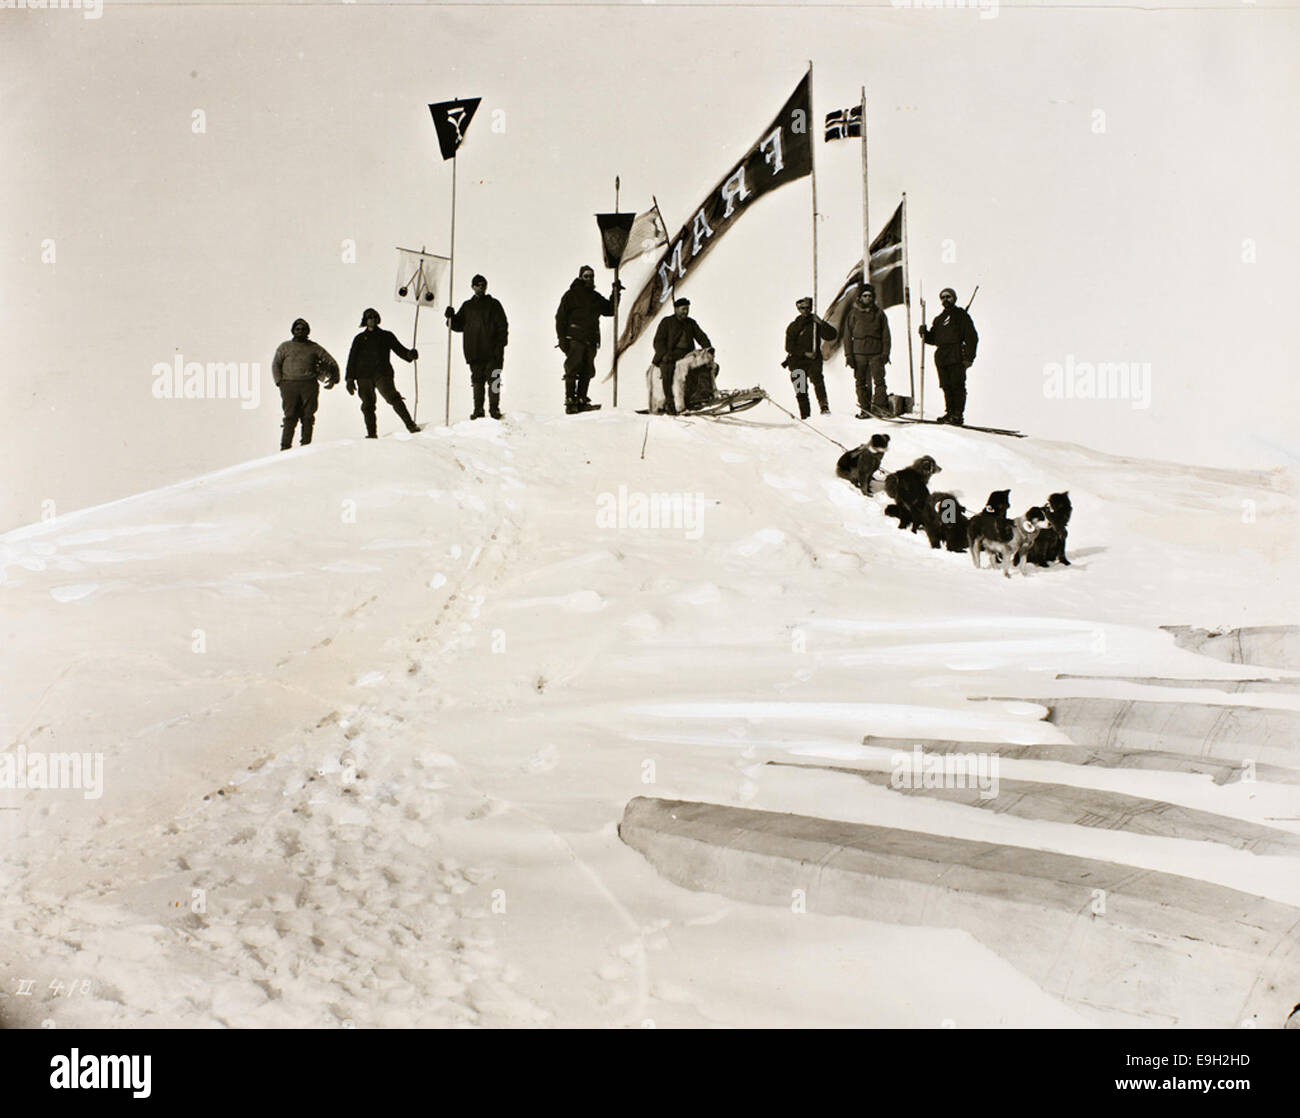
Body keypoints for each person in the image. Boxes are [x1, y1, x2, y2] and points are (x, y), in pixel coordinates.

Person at [345, 308, 421, 438]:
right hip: (363, 376)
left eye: (375, 317)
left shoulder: (386, 336)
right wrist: (350, 379)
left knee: (393, 397)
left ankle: (410, 425)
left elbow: (400, 350)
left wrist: (410, 354)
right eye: (369, 318)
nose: (372, 320)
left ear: (378, 319)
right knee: (367, 405)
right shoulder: (359, 339)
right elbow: (352, 359)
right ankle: (371, 434)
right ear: (365, 320)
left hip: (382, 373)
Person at [555, 264, 620, 413]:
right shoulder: (570, 295)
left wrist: (615, 293)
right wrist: (562, 338)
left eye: (591, 276)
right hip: (576, 338)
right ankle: (570, 401)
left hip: (590, 340)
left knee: (587, 370)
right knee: (572, 368)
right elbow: (560, 318)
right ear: (580, 277)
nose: (589, 279)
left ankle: (582, 400)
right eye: (586, 276)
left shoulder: (594, 297)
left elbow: (610, 310)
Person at [445, 274, 509, 420]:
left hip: (492, 351)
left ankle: (494, 408)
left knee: (494, 379)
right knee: (477, 381)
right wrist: (450, 317)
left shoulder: (494, 304)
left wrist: (500, 345)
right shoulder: (468, 306)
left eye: (483, 284)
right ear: (472, 287)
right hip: (474, 351)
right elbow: (456, 325)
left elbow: (502, 326)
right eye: (478, 285)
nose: (481, 287)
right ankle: (478, 409)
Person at [271, 318, 339, 450]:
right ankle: (285, 447)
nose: (300, 331)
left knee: (308, 416)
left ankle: (305, 447)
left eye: (303, 329)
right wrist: (279, 382)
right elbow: (276, 364)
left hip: (309, 385)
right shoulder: (284, 347)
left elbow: (331, 362)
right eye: (297, 329)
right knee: (290, 416)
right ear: (293, 331)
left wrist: (334, 378)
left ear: (307, 331)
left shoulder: (314, 347)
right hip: (289, 385)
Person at [918, 287, 978, 425]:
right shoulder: (939, 319)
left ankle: (957, 415)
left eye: (948, 297)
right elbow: (933, 339)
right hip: (941, 357)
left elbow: (972, 337)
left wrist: (969, 357)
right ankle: (949, 412)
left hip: (956, 355)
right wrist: (924, 333)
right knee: (946, 386)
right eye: (943, 297)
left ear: (954, 298)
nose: (945, 299)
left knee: (957, 385)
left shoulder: (962, 316)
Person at [652, 298, 713, 415]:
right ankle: (670, 402)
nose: (686, 312)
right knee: (667, 370)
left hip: (686, 354)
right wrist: (664, 354)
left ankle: (696, 397)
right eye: (683, 309)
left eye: (687, 309)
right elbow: (658, 341)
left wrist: (708, 348)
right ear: (676, 309)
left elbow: (701, 336)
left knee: (703, 367)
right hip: (670, 355)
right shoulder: (666, 322)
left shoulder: (691, 323)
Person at [781, 296, 837, 419]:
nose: (806, 310)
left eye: (808, 308)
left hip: (813, 361)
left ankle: (824, 407)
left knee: (818, 381)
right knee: (801, 389)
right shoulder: (793, 326)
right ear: (798, 309)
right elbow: (789, 347)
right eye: (802, 308)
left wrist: (821, 323)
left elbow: (832, 335)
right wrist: (805, 353)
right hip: (797, 362)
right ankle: (805, 415)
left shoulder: (816, 324)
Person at [842, 284, 892, 419]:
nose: (867, 298)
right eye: (865, 296)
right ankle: (865, 408)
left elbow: (886, 335)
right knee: (860, 381)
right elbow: (847, 336)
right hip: (859, 354)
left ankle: (879, 406)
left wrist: (885, 353)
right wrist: (849, 355)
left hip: (876, 352)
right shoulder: (853, 314)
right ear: (860, 297)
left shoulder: (879, 313)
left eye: (870, 296)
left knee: (879, 380)